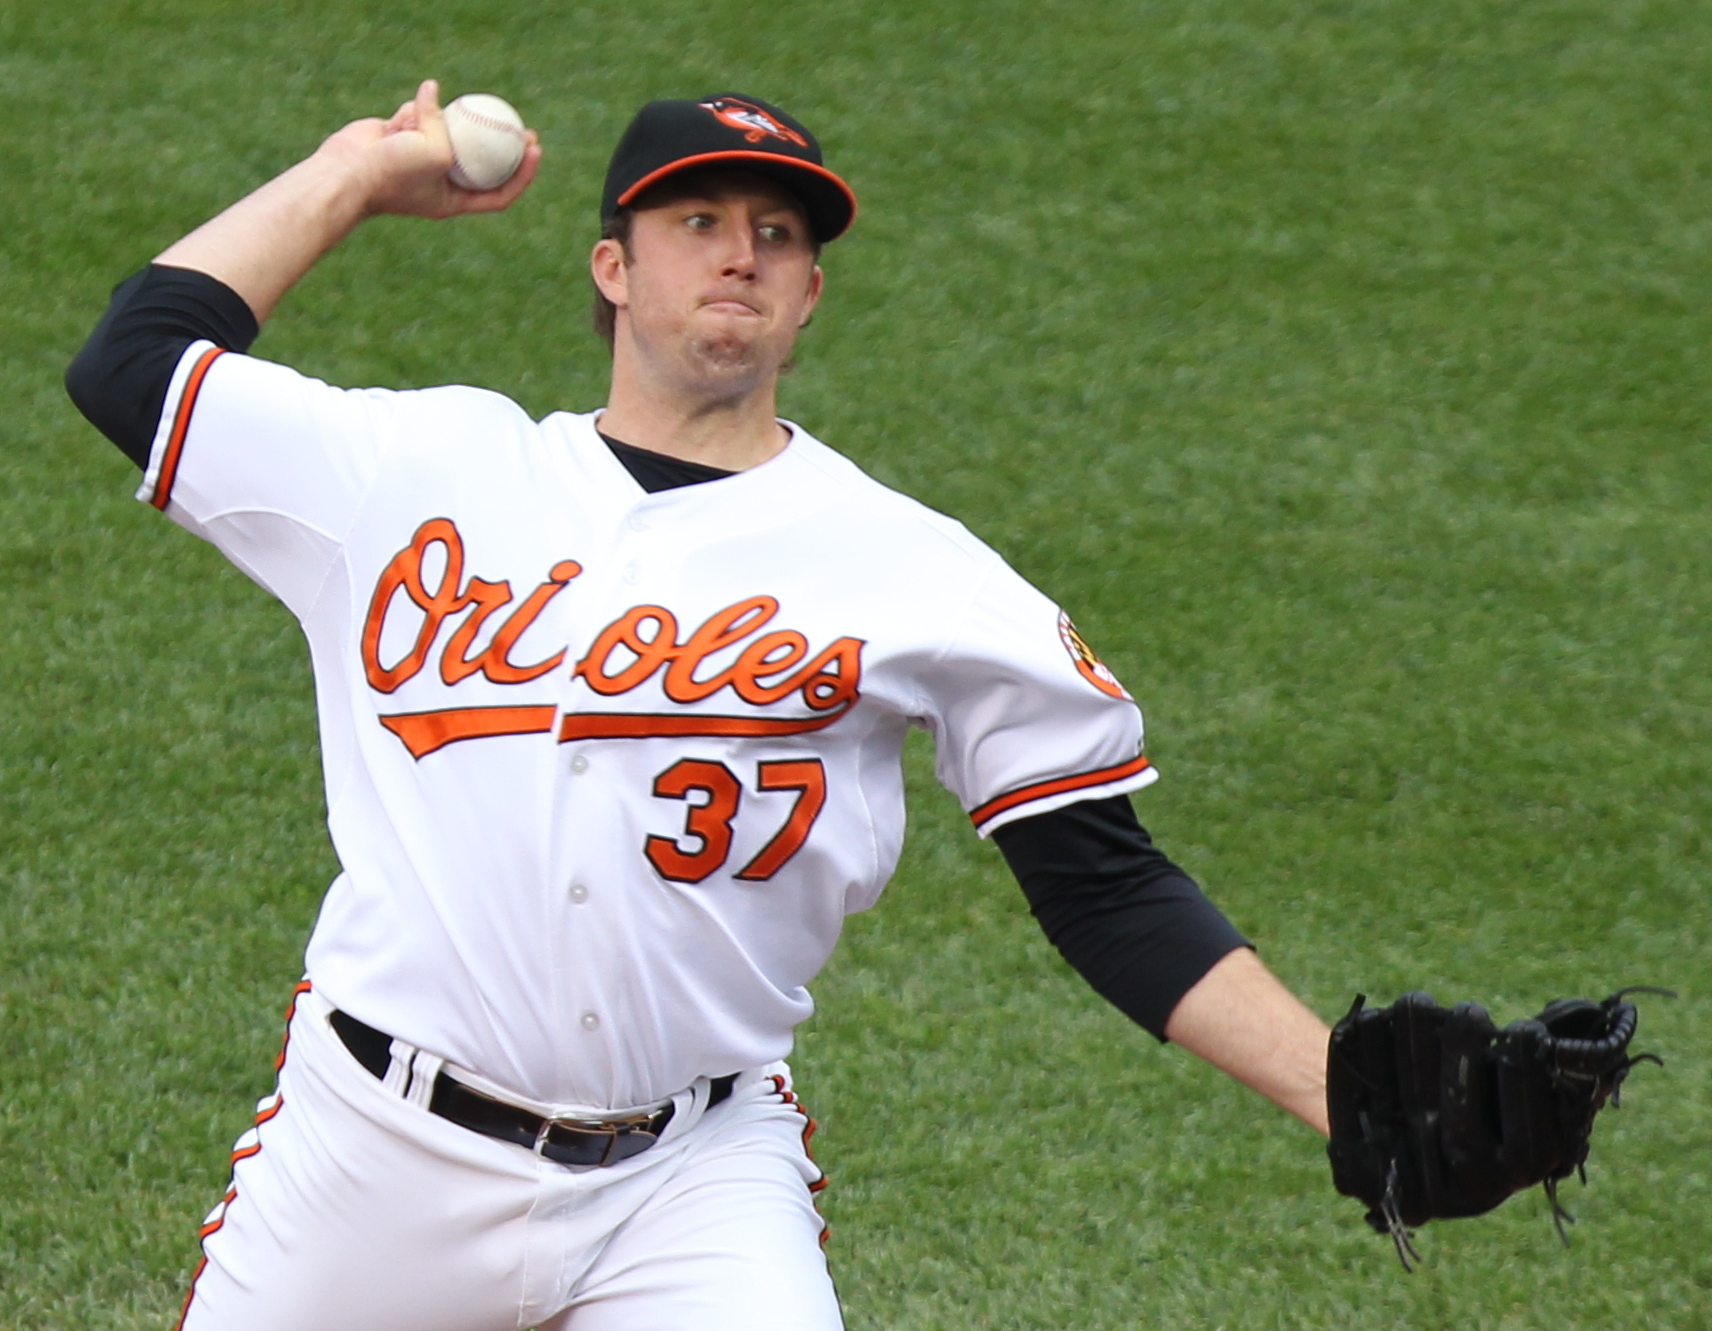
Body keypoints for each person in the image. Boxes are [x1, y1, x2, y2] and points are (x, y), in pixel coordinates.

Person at [66, 82, 1332, 1331]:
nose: (741, 256)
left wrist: (1342, 1094)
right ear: (612, 266)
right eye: (699, 223)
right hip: (374, 1156)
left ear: (809, 296)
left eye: (778, 235)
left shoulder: (910, 566)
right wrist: (351, 176)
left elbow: (1104, 881)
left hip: (686, 1183)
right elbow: (132, 363)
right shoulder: (416, 470)